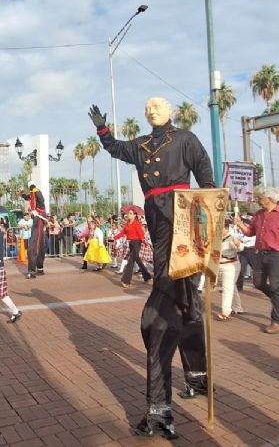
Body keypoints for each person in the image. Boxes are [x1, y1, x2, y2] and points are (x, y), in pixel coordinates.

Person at [89, 98, 214, 440]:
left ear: (170, 111)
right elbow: (114, 147)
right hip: (157, 216)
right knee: (180, 306)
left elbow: (205, 175)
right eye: (146, 106)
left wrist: (211, 214)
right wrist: (102, 129)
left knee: (171, 311)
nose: (150, 109)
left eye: (157, 105)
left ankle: (190, 380)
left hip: (182, 213)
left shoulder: (186, 139)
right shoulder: (142, 145)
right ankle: (194, 378)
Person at [234, 188, 279, 334]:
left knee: (276, 286)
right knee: (258, 282)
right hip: (261, 253)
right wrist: (240, 224)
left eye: (261, 197)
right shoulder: (258, 214)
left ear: (269, 199)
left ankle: (277, 321)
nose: (258, 200)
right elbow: (251, 232)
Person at [216, 217, 245, 321]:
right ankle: (238, 307)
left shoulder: (232, 237)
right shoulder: (215, 237)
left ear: (226, 228)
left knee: (227, 288)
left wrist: (238, 244)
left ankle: (225, 312)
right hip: (219, 264)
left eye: (220, 228)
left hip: (231, 265)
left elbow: (240, 247)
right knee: (230, 286)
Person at [18, 182, 47, 278]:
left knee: (35, 244)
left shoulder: (37, 192)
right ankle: (39, 268)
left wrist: (37, 211)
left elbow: (42, 203)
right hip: (36, 218)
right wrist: (22, 194)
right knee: (38, 243)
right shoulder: (32, 193)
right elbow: (28, 197)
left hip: (39, 217)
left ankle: (32, 270)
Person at [116, 209, 151, 287]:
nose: (129, 215)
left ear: (135, 215)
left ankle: (126, 281)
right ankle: (147, 276)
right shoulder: (128, 224)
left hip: (136, 243)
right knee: (138, 260)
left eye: (130, 213)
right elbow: (123, 232)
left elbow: (141, 234)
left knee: (131, 261)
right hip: (131, 243)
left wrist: (145, 243)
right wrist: (115, 237)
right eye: (128, 213)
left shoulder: (136, 223)